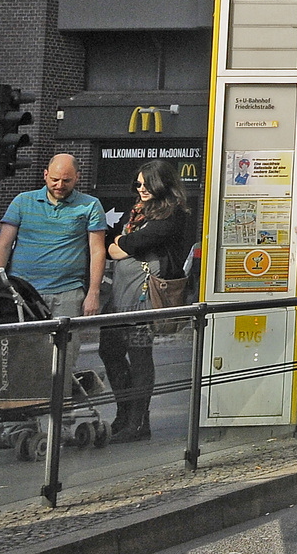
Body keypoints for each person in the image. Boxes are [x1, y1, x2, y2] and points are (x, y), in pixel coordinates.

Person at [0, 154, 106, 389]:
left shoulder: (90, 205)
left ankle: (60, 420)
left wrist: (93, 292)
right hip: (23, 294)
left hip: (67, 294)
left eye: (66, 181)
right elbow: (3, 245)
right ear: (45, 175)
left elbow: (97, 251)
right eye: (54, 179)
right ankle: (22, 421)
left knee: (62, 363)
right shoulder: (23, 201)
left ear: (77, 179)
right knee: (18, 360)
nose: (59, 185)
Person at [100, 159, 189, 440]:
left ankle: (138, 421)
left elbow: (127, 244)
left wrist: (121, 245)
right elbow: (113, 245)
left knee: (139, 355)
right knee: (109, 349)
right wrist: (119, 245)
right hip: (120, 294)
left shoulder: (173, 214)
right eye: (138, 184)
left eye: (146, 183)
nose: (141, 189)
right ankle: (124, 411)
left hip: (143, 299)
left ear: (161, 183)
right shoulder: (138, 211)